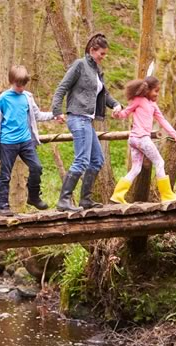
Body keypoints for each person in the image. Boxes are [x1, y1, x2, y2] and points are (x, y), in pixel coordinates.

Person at [51, 33, 122, 212]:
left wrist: (115, 104)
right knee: (81, 159)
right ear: (92, 50)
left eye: (105, 54)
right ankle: (64, 200)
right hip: (77, 117)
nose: (104, 57)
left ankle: (85, 199)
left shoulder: (97, 71)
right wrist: (56, 111)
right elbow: (62, 87)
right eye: (102, 54)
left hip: (87, 121)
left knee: (97, 160)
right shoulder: (80, 65)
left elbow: (103, 94)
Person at [0, 65, 56, 216]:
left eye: (23, 85)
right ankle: (3, 205)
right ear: (12, 81)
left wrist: (55, 115)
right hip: (8, 142)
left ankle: (33, 196)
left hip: (26, 141)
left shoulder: (27, 97)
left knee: (37, 167)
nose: (21, 88)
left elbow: (37, 115)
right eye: (18, 85)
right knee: (5, 174)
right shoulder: (3, 99)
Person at [110, 76, 176, 204]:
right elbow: (124, 114)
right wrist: (116, 113)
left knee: (136, 168)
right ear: (147, 90)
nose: (157, 93)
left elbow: (162, 120)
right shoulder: (139, 100)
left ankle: (118, 195)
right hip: (141, 139)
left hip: (133, 140)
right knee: (159, 163)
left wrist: (175, 135)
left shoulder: (153, 105)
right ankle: (166, 195)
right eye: (155, 90)